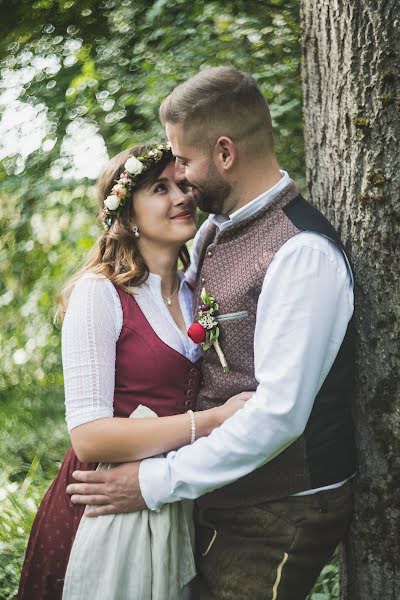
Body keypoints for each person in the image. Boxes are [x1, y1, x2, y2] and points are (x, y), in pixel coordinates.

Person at [68, 66, 357, 600]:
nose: (181, 177)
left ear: (225, 154)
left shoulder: (301, 253)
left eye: (184, 161)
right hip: (212, 493)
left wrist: (153, 482)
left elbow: (278, 415)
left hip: (281, 503)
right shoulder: (212, 235)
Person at [17, 141, 250, 600]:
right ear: (126, 213)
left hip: (169, 493)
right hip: (101, 501)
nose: (181, 197)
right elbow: (89, 435)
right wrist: (213, 422)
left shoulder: (195, 293)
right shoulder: (99, 294)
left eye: (184, 184)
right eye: (160, 189)